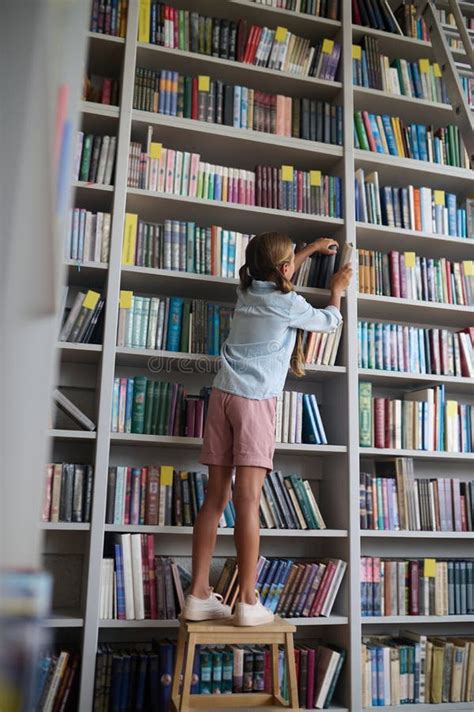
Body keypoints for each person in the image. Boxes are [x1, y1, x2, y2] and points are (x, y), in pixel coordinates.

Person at [182, 232, 353, 626]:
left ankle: (199, 595)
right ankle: (247, 599)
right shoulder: (287, 304)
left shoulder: (246, 291)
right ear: (285, 268)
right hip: (254, 402)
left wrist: (306, 251)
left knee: (215, 499)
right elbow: (329, 322)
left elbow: (274, 272)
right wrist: (336, 289)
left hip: (221, 397)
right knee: (247, 500)